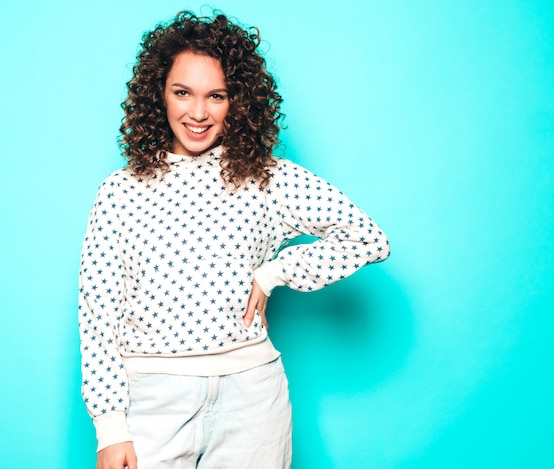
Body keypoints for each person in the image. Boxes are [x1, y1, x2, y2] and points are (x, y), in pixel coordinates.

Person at [78, 10, 390, 469]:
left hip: (252, 399)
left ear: (237, 102)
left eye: (216, 96)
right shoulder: (120, 191)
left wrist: (275, 272)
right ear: (158, 95)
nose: (198, 113)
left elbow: (367, 239)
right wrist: (110, 428)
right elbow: (97, 312)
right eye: (182, 92)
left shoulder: (268, 179)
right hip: (152, 403)